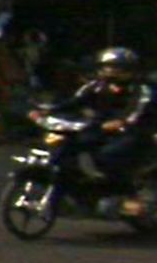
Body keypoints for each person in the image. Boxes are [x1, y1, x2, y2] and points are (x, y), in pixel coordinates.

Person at [28, 46, 157, 184]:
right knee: (69, 143)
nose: (109, 71)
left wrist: (122, 122)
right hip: (99, 127)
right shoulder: (96, 85)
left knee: (109, 154)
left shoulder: (142, 90)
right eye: (107, 67)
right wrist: (48, 111)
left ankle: (123, 189)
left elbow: (136, 112)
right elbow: (75, 101)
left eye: (115, 67)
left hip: (133, 130)